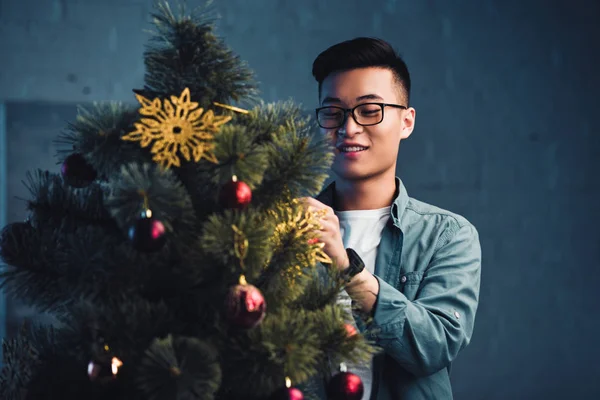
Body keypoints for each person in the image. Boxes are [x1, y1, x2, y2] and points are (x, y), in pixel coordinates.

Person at [303, 37, 482, 399]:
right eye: (332, 112)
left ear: (406, 121)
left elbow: (435, 347)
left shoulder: (447, 235)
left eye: (369, 110)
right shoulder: (287, 226)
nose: (348, 128)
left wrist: (345, 269)